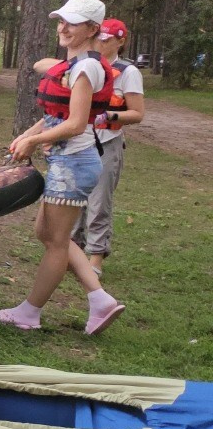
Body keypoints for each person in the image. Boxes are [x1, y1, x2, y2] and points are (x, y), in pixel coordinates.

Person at [0, 0, 126, 336]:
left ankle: (29, 313)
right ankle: (99, 299)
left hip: (75, 162)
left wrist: (34, 141)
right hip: (67, 160)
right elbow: (55, 116)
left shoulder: (87, 68)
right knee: (47, 234)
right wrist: (26, 135)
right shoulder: (74, 66)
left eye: (71, 23)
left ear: (92, 28)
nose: (62, 28)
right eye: (61, 21)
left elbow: (77, 123)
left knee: (56, 241)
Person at [73, 18, 145, 275]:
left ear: (120, 41)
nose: (101, 44)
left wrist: (110, 116)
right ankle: (72, 252)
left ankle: (95, 259)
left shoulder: (127, 72)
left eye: (107, 40)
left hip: (107, 143)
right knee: (73, 198)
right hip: (79, 141)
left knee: (99, 202)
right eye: (98, 39)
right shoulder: (85, 65)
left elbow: (137, 113)